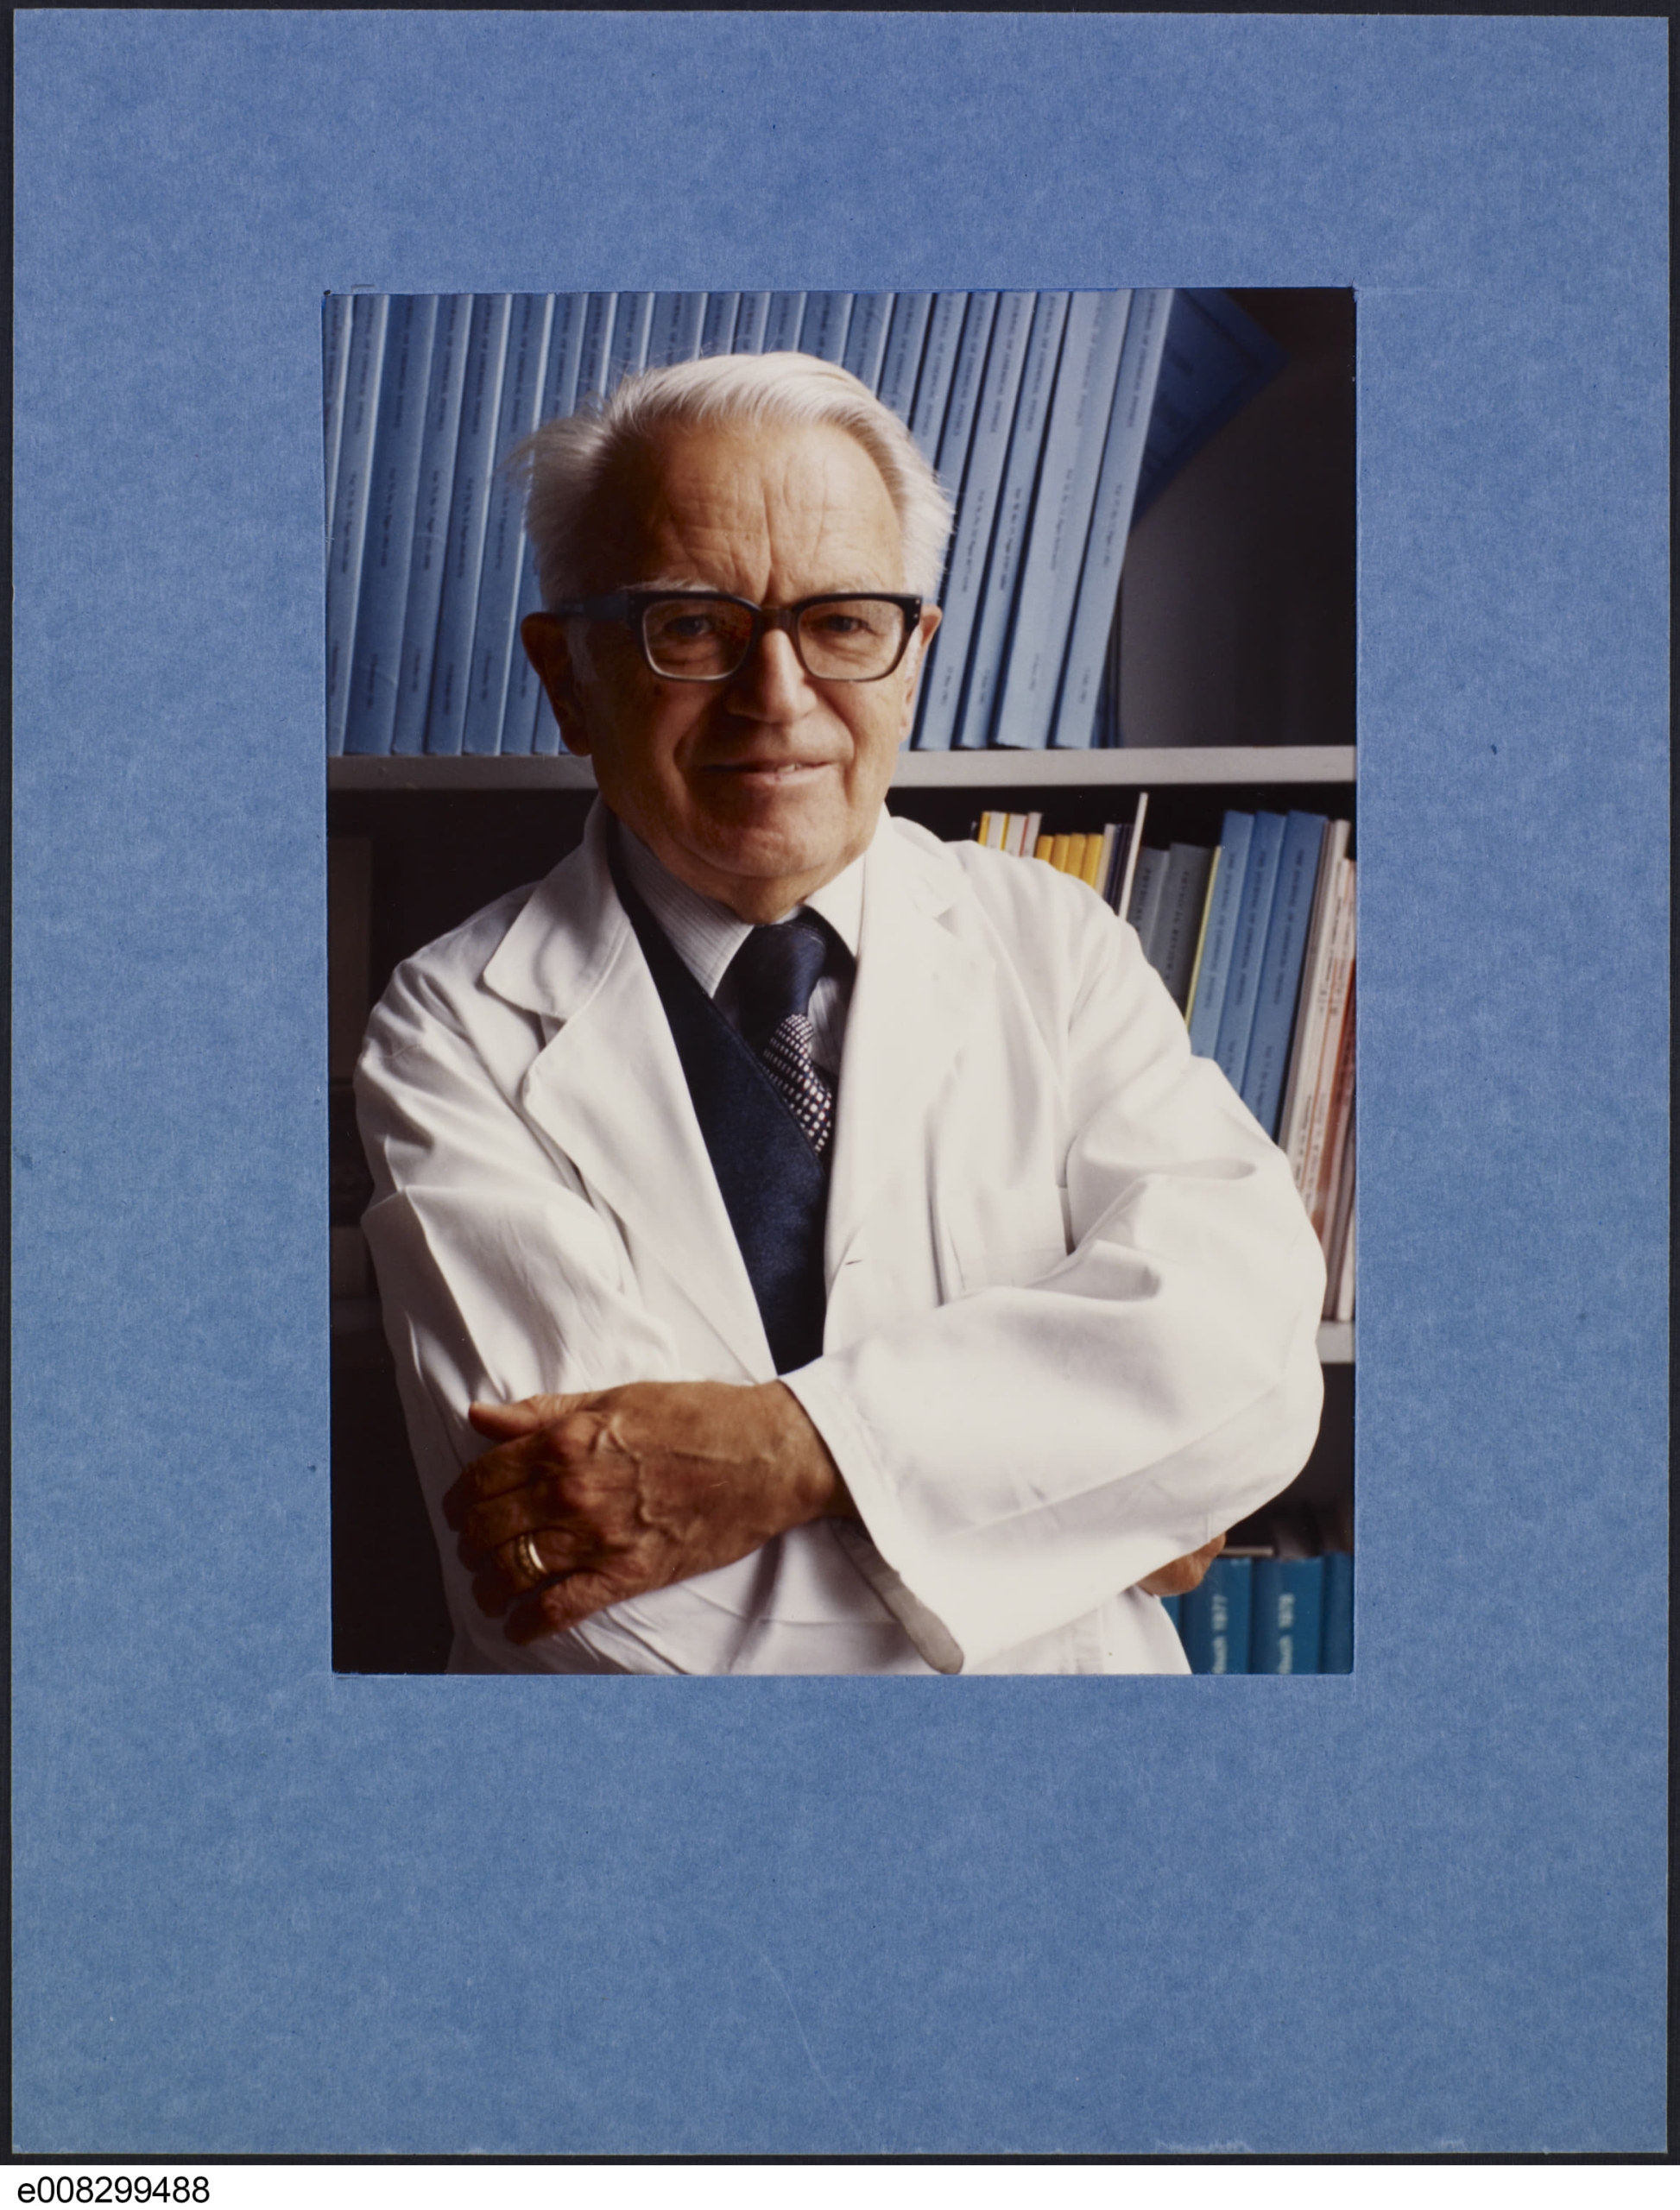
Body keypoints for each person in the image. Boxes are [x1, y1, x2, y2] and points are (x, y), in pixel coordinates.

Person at [354, 350, 1326, 1676]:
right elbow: (614, 1605)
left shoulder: (1053, 942)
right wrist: (1081, 1497)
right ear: (568, 673)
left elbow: (1247, 1365)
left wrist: (781, 1455)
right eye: (689, 625)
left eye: (841, 623)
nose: (776, 696)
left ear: (911, 656)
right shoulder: (452, 1023)